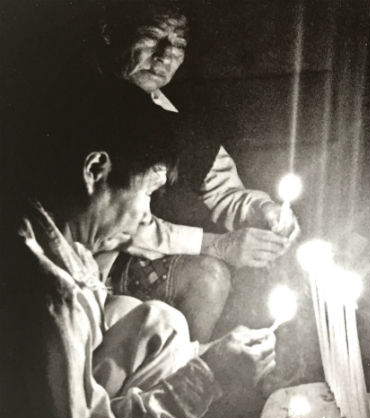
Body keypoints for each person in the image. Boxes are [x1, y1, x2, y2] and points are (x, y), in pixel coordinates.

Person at [0, 102, 275, 418]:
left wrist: (206, 357)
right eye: (146, 192)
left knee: (156, 323)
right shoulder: (50, 290)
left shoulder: (45, 228)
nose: (147, 213)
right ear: (95, 170)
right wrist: (207, 374)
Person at [90, 0, 299, 344]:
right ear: (110, 33)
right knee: (208, 275)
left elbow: (223, 190)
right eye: (152, 36)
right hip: (90, 266)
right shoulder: (81, 106)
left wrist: (263, 210)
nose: (165, 56)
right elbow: (113, 222)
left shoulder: (173, 114)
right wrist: (216, 246)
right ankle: (187, 379)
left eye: (178, 45)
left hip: (138, 252)